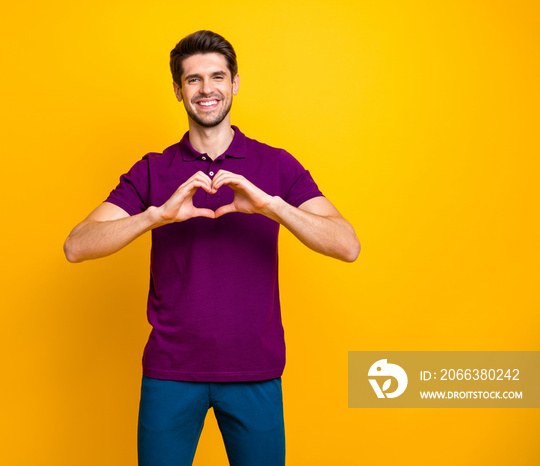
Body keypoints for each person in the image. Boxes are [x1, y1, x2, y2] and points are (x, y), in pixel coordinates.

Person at [64, 30, 359, 466]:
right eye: (194, 79)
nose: (207, 90)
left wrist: (272, 206)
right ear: (178, 90)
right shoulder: (152, 169)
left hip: (254, 370)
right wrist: (154, 216)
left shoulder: (275, 165)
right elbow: (76, 246)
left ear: (235, 83)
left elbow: (347, 245)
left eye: (217, 77)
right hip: (170, 373)